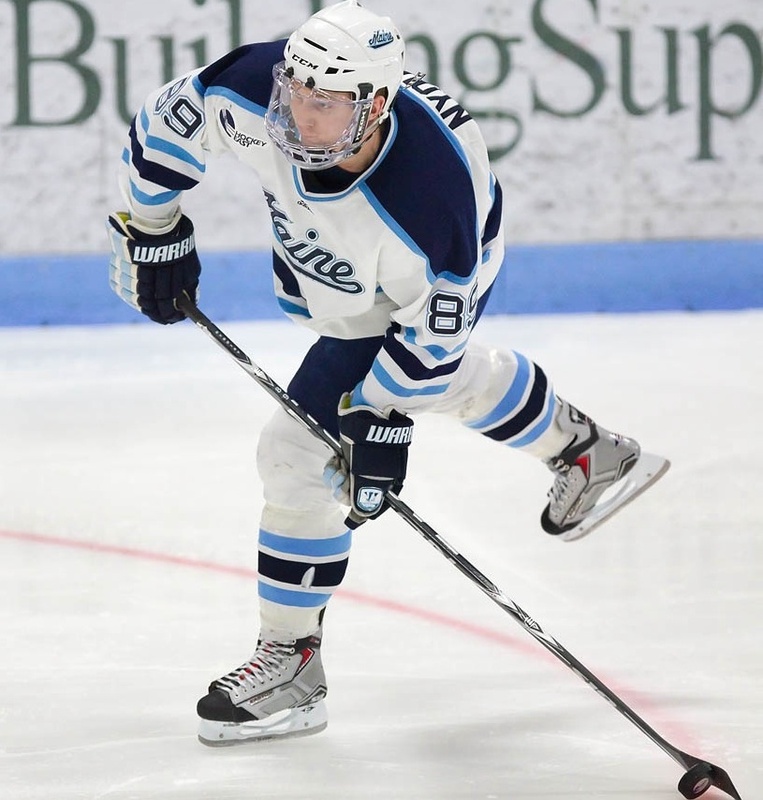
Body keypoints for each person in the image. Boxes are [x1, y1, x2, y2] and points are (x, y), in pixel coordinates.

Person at [107, 0, 668, 746]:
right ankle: (587, 451)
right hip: (340, 265)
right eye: (294, 93)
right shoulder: (251, 85)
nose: (298, 116)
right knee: (408, 382)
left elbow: (430, 344)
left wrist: (380, 419)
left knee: (300, 453)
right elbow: (160, 128)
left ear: (373, 106)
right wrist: (154, 231)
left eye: (324, 105)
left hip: (417, 276)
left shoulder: (432, 208)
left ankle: (292, 663)